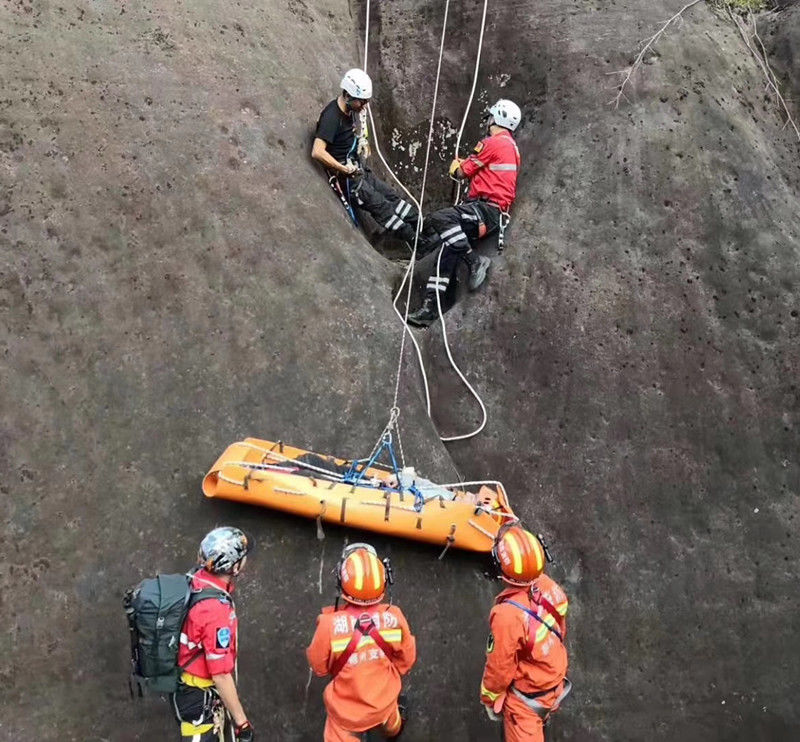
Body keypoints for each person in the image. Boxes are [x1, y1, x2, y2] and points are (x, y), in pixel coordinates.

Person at [407, 99, 522, 327]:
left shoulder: (492, 143)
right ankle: (430, 308)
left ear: (497, 118)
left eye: (490, 117)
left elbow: (460, 172)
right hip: (490, 211)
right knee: (445, 254)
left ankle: (474, 261)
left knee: (439, 219)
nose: (488, 121)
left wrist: (456, 167)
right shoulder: (512, 147)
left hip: (484, 210)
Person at [307, 543, 417, 741]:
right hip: (385, 700)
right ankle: (393, 730)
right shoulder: (395, 617)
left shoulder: (328, 626)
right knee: (392, 720)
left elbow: (319, 667)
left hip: (347, 715)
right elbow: (406, 660)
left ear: (341, 583)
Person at [480, 526, 571, 742]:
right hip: (554, 679)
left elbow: (500, 666)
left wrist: (489, 697)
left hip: (526, 702)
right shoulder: (549, 587)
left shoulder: (507, 616)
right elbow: (560, 628)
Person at [312, 69, 422, 246]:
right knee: (383, 208)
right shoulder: (332, 116)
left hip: (359, 169)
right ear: (347, 95)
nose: (363, 107)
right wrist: (342, 169)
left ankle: (422, 225)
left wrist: (363, 142)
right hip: (348, 178)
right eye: (361, 102)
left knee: (392, 198)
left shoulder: (352, 112)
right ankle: (418, 242)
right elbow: (317, 151)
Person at [172, 527, 255, 742]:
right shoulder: (215, 609)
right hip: (198, 697)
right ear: (234, 566)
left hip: (186, 684)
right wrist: (242, 723)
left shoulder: (198, 579)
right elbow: (220, 674)